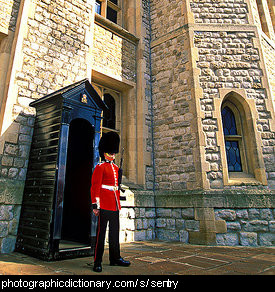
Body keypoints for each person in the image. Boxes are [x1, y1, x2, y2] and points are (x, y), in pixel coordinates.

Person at [90, 132, 130, 272]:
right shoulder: (100, 167)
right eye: (110, 152)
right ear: (104, 152)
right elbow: (95, 187)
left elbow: (116, 188)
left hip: (114, 205)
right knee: (100, 235)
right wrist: (95, 205)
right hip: (104, 205)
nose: (112, 155)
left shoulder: (116, 169)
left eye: (113, 152)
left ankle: (115, 257)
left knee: (114, 233)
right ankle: (97, 261)